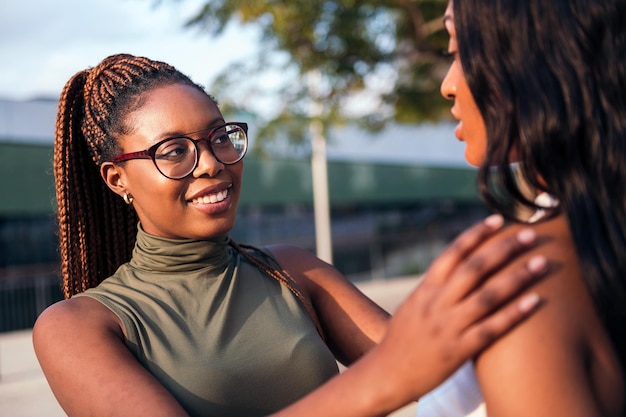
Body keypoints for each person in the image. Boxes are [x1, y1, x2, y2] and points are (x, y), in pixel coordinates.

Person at [32, 53, 548, 417]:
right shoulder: (77, 327)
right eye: (173, 151)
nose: (211, 163)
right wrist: (383, 384)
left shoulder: (293, 270)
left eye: (219, 137)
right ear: (116, 177)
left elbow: (443, 367)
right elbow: (402, 368)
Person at [415, 0, 626, 416]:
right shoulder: (598, 232)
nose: (448, 84)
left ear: (538, 55)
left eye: (457, 50)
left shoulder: (528, 295)